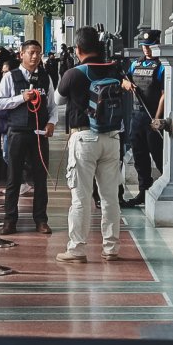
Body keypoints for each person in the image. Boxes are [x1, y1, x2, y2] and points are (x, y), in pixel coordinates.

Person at [53, 27, 132, 262]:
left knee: (81, 198)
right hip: (112, 138)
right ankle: (111, 248)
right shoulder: (114, 69)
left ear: (78, 49)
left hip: (84, 139)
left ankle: (76, 249)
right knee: (110, 197)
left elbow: (58, 100)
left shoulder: (74, 74)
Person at [0, 39, 56, 235]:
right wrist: (21, 98)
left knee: (40, 178)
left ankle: (41, 219)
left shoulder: (45, 77)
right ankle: (10, 220)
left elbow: (52, 106)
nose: (35, 56)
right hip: (17, 132)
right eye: (31, 52)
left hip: (38, 133)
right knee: (13, 178)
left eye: (38, 53)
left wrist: (51, 122)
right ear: (22, 54)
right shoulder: (10, 77)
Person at [122, 28, 166, 208]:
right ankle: (143, 190)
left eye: (150, 46)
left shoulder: (162, 65)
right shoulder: (136, 64)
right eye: (144, 46)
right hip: (137, 116)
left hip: (152, 118)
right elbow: (125, 79)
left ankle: (165, 186)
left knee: (158, 154)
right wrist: (125, 83)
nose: (146, 49)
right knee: (139, 155)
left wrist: (157, 117)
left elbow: (164, 94)